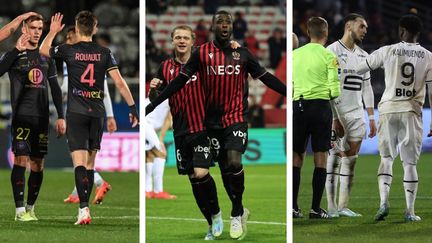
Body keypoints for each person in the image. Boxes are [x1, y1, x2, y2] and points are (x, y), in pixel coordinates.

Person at [146, 11, 286, 240]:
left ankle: (237, 211)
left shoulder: (242, 53)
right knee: (219, 171)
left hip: (236, 117)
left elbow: (265, 77)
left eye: (227, 22)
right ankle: (218, 217)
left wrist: (289, 93)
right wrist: (153, 104)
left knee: (233, 160)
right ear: (211, 27)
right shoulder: (201, 54)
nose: (223, 25)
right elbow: (180, 81)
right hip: (209, 123)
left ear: (232, 27)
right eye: (219, 22)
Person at [39, 11, 139, 225]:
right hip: (97, 114)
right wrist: (133, 108)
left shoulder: (68, 50)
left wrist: (52, 32)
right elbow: (120, 83)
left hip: (76, 112)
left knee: (79, 164)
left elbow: (43, 50)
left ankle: (83, 210)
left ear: (77, 26)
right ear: (95, 28)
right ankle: (86, 206)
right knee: (91, 164)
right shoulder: (105, 53)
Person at [148, 25, 222, 240]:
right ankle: (210, 222)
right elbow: (157, 100)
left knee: (201, 173)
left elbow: (224, 58)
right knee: (193, 179)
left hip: (202, 128)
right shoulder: (165, 67)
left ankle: (216, 214)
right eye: (178, 37)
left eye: (185, 38)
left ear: (192, 41)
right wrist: (153, 89)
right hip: (180, 131)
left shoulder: (202, 64)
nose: (181, 41)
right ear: (172, 41)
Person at [356, 14, 432, 222]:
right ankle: (410, 211)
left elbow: (360, 67)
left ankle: (383, 203)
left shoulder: (387, 50)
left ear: (401, 31)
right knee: (410, 164)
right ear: (418, 33)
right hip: (411, 111)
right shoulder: (428, 56)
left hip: (388, 109)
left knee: (386, 159)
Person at [0, 13, 65, 221]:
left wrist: (61, 116)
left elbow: (54, 87)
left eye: (40, 28)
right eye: (33, 28)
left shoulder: (46, 56)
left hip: (42, 118)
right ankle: (19, 211)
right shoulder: (12, 55)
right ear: (24, 30)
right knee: (21, 160)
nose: (37, 32)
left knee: (38, 164)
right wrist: (15, 50)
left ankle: (30, 208)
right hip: (21, 116)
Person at [325, 13, 377, 218]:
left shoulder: (365, 56)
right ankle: (330, 207)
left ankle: (343, 206)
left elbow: (367, 88)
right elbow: (328, 86)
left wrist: (371, 118)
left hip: (357, 115)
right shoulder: (331, 51)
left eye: (366, 28)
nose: (365, 30)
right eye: (362, 26)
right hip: (337, 113)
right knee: (334, 158)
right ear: (349, 26)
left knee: (351, 159)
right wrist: (333, 116)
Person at [292, 16, 340, 219]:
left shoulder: (296, 54)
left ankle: (293, 208)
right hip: (320, 107)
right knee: (320, 157)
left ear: (308, 32)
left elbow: (291, 82)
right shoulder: (329, 56)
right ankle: (315, 208)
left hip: (299, 106)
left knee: (297, 156)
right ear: (326, 32)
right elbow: (335, 90)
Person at [61, 26, 114, 205]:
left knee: (80, 157)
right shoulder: (94, 55)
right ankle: (78, 192)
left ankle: (98, 183)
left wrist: (58, 91)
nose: (67, 41)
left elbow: (104, 90)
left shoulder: (76, 56)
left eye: (70, 37)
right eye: (66, 38)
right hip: (90, 113)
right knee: (81, 158)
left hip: (79, 114)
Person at [144, 98, 176, 200]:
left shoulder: (164, 97)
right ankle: (158, 191)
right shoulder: (174, 98)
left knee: (149, 156)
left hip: (145, 122)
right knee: (161, 153)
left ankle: (147, 190)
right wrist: (161, 140)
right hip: (146, 124)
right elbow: (168, 120)